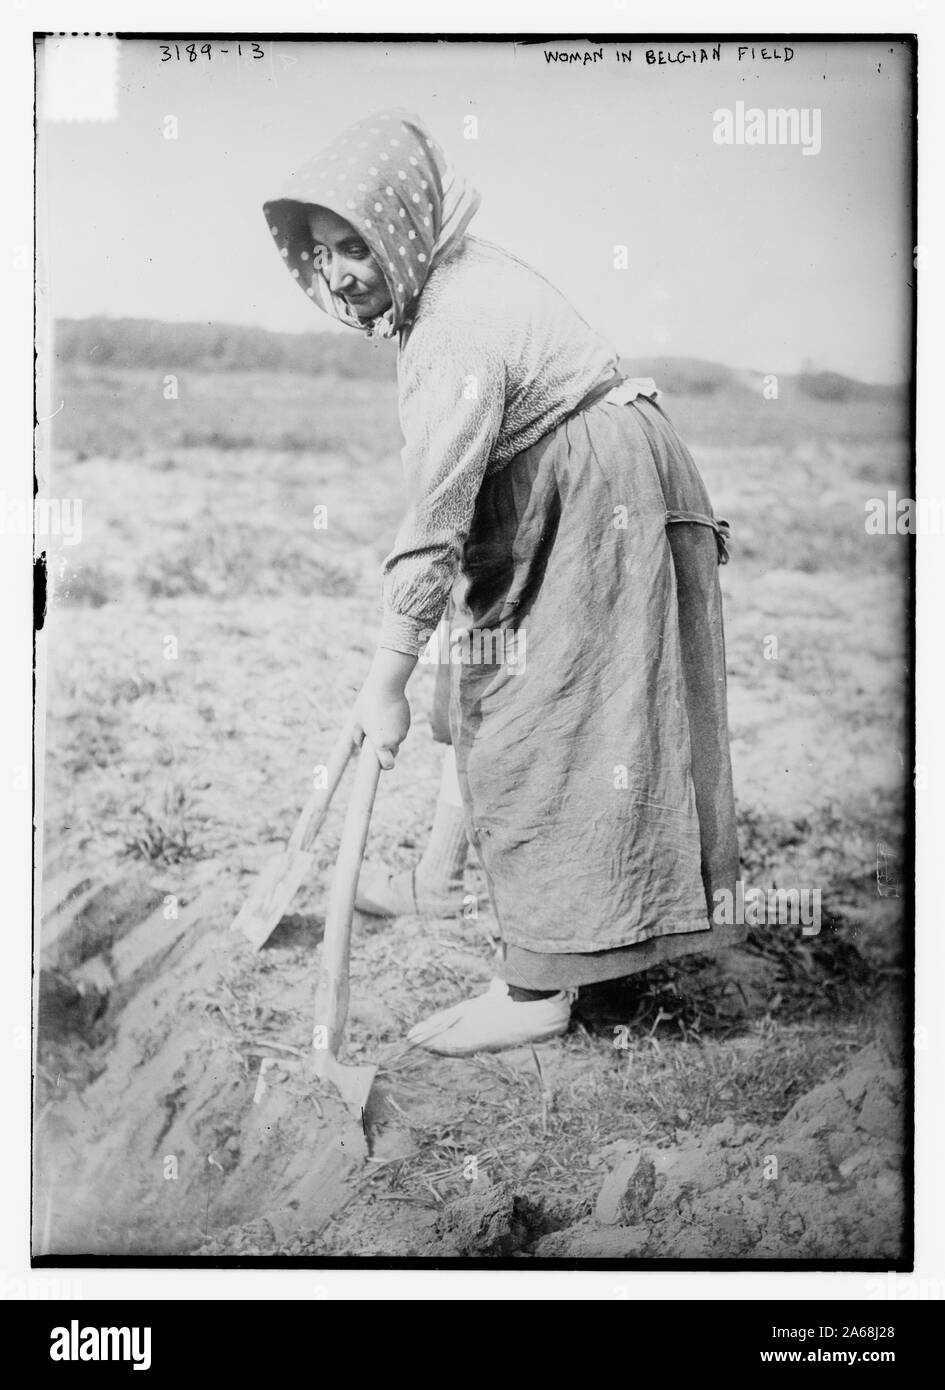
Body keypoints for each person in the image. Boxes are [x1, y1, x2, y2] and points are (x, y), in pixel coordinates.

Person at [263, 109, 744, 1055]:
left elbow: (433, 525)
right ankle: (440, 881)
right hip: (560, 475)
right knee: (480, 679)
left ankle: (539, 988)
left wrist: (381, 681)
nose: (339, 275)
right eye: (319, 254)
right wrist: (415, 659)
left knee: (541, 720)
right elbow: (450, 522)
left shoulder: (452, 328)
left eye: (355, 245)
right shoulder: (444, 277)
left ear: (400, 225)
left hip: (599, 493)